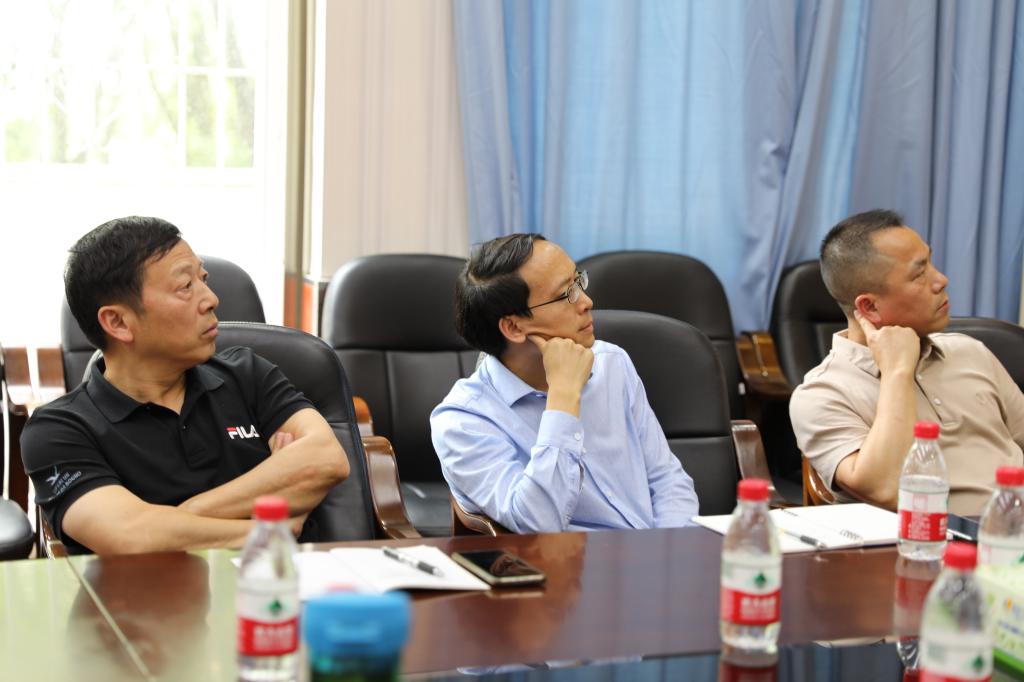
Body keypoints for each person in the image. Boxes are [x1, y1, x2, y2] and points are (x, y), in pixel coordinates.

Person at [21, 216, 349, 554]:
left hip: (282, 581)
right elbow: (130, 536)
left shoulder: (247, 373)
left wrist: (181, 515)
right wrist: (275, 523)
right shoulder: (59, 430)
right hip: (152, 590)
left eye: (203, 279)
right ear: (118, 322)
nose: (211, 299)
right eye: (185, 287)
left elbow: (327, 459)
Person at [430, 233, 699, 533]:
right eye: (566, 294)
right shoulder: (463, 422)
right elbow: (538, 525)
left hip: (659, 550)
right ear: (514, 327)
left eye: (578, 281)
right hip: (574, 561)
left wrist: (673, 547)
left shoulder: (611, 363)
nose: (586, 301)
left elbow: (667, 479)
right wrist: (563, 397)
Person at [790, 209, 1024, 514]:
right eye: (919, 274)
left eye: (931, 262)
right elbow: (883, 490)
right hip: (939, 538)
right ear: (869, 307)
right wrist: (897, 372)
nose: (941, 280)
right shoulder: (822, 395)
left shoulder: (969, 351)